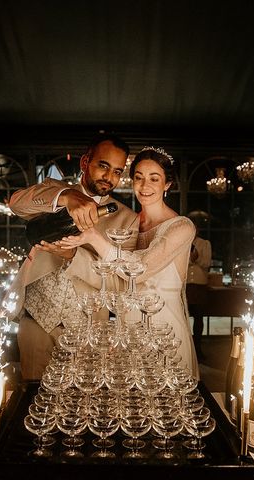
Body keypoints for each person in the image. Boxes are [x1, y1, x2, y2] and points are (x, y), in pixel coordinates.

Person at [58, 146, 199, 379]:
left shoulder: (181, 227)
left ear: (167, 185)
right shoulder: (129, 225)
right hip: (127, 334)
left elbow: (139, 270)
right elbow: (116, 279)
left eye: (155, 179)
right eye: (139, 178)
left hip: (164, 332)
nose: (145, 186)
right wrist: (71, 253)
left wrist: (94, 237)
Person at [6, 133, 139, 380]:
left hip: (90, 327)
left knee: (83, 405)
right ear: (84, 162)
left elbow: (120, 284)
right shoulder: (53, 190)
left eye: (118, 172)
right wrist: (66, 197)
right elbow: (16, 204)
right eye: (103, 166)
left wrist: (74, 255)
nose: (109, 177)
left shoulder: (127, 219)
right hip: (37, 321)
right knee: (34, 402)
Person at [186, 220, 212, 361]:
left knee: (198, 318)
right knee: (184, 319)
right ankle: (185, 348)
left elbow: (207, 263)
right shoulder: (181, 243)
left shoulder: (204, 243)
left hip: (200, 285)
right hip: (185, 286)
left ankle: (198, 349)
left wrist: (196, 258)